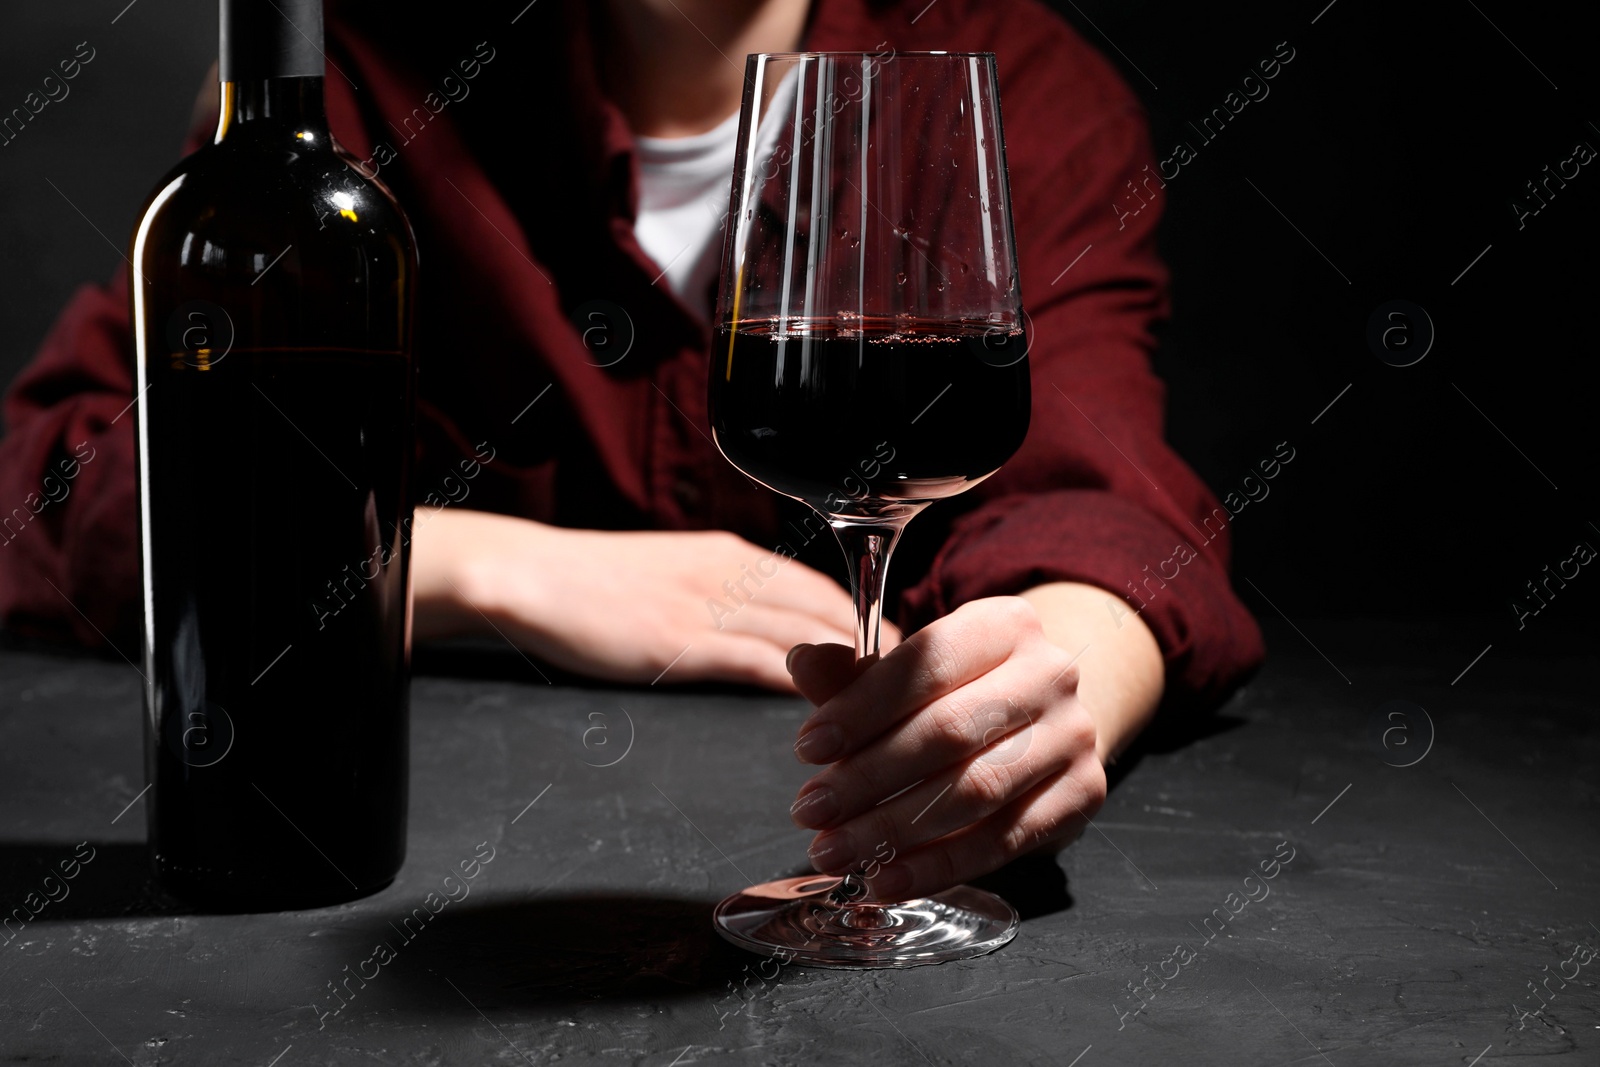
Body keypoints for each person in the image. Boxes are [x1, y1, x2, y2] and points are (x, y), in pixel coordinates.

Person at [0, 0, 1263, 901]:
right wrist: (476, 566)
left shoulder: (1015, 82)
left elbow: (1105, 504)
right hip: (439, 861)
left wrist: (1054, 689)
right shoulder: (361, 82)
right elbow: (53, 481)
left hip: (798, 839)